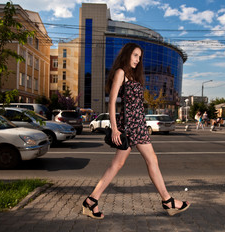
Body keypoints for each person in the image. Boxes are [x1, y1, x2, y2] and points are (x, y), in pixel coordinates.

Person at [81, 43, 190, 219]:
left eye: (139, 57)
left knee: (121, 164)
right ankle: (168, 201)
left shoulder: (133, 75)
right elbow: (112, 102)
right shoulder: (121, 72)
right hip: (130, 125)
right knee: (146, 160)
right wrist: (115, 129)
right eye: (135, 55)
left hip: (138, 123)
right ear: (127, 54)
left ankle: (91, 201)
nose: (137, 60)